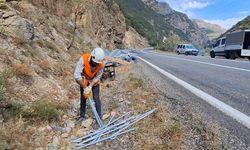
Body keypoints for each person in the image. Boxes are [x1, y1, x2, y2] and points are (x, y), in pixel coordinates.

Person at [74, 48, 105, 124]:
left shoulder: (101, 64)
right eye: (94, 62)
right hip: (84, 79)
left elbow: (98, 76)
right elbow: (76, 75)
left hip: (93, 80)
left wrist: (90, 86)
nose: (96, 64)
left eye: (97, 63)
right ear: (91, 56)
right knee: (83, 97)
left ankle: (99, 118)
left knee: (96, 98)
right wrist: (85, 87)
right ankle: (82, 116)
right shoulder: (83, 59)